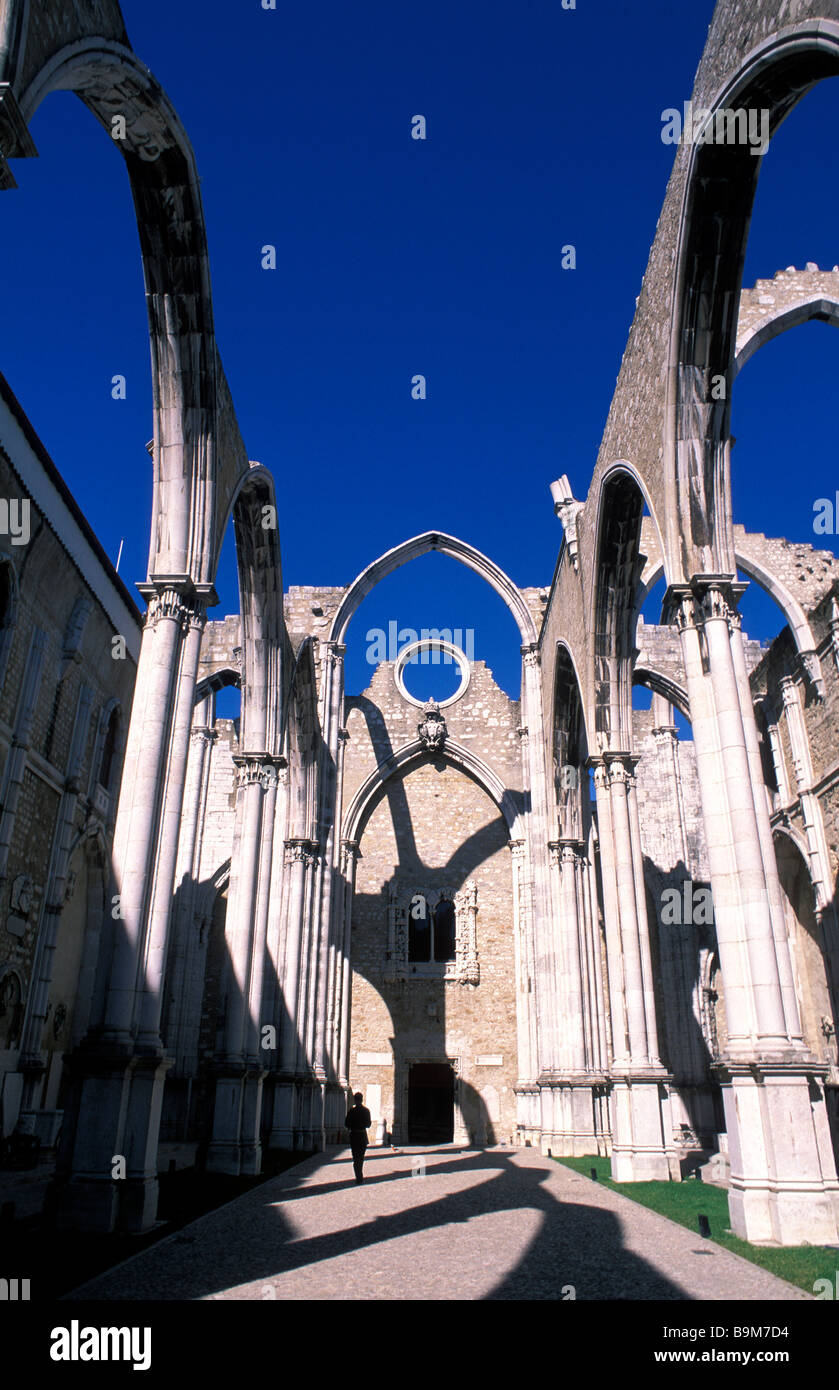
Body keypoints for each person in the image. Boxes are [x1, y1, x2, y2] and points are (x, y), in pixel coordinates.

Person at [345, 1092, 372, 1184]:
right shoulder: (366, 1111)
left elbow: (346, 1124)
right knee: (361, 1157)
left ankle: (358, 1176)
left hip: (354, 1136)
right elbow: (368, 1124)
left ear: (355, 1100)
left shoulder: (351, 1111)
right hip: (362, 1136)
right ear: (362, 1099)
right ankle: (359, 1175)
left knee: (355, 1157)